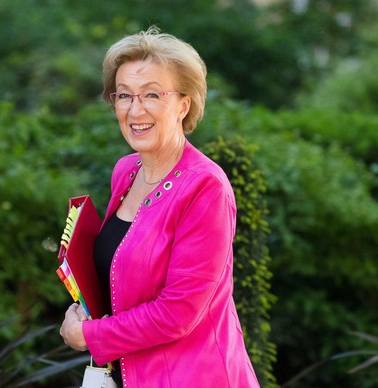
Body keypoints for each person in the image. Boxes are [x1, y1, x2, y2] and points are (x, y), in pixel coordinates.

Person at [59, 27, 260, 387]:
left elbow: (177, 313)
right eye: (124, 95)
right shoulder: (126, 171)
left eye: (152, 94)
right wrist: (84, 305)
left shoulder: (205, 187)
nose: (135, 110)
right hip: (133, 375)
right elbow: (124, 273)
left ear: (184, 104)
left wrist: (90, 336)